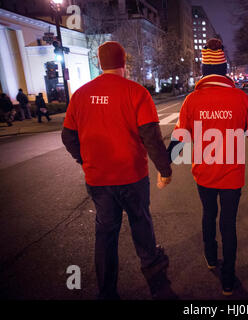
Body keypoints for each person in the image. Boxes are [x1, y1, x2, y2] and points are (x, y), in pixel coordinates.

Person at [61, 41, 174, 300]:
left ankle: (107, 291)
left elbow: (68, 136)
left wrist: (84, 159)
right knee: (140, 221)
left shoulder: (80, 95)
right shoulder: (136, 92)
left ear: (100, 63)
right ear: (124, 62)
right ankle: (153, 271)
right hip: (132, 175)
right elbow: (151, 137)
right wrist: (164, 168)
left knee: (105, 232)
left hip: (98, 178)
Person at [167, 38, 248, 296]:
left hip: (204, 174)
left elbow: (181, 137)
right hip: (232, 176)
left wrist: (165, 164)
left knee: (208, 214)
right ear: (225, 70)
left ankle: (211, 257)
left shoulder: (191, 101)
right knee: (228, 224)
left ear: (203, 70)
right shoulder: (240, 98)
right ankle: (228, 279)